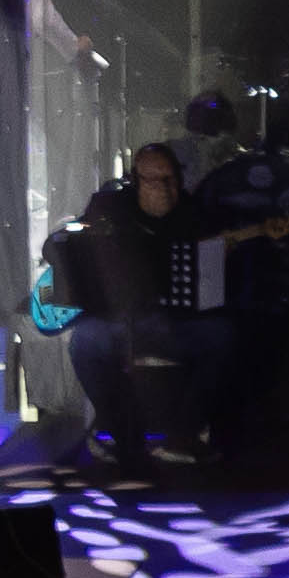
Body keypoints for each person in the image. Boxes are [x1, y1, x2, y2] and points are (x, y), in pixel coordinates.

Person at [185, 92, 289, 462]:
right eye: (203, 127)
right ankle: (225, 431)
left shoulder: (251, 169)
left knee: (268, 346)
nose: (208, 137)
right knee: (226, 344)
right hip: (224, 273)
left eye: (214, 127)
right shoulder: (212, 170)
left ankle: (261, 432)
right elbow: (200, 231)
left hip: (268, 279)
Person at [56, 140, 211, 464]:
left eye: (168, 179)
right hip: (119, 319)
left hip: (177, 322)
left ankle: (185, 434)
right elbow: (72, 237)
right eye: (152, 180)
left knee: (224, 335)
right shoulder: (110, 207)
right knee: (85, 340)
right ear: (136, 180)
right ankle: (124, 435)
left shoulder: (195, 214)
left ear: (180, 178)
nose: (162, 188)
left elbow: (212, 269)